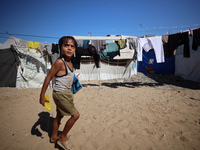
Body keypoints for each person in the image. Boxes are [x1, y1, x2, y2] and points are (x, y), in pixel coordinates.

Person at [39, 36, 80, 149]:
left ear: (75, 49)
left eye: (72, 46)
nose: (69, 48)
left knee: (59, 116)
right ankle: (63, 137)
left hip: (66, 93)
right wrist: (41, 96)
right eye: (66, 45)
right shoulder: (59, 62)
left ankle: (53, 137)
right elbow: (48, 78)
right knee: (76, 115)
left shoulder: (70, 63)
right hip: (60, 94)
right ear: (60, 47)